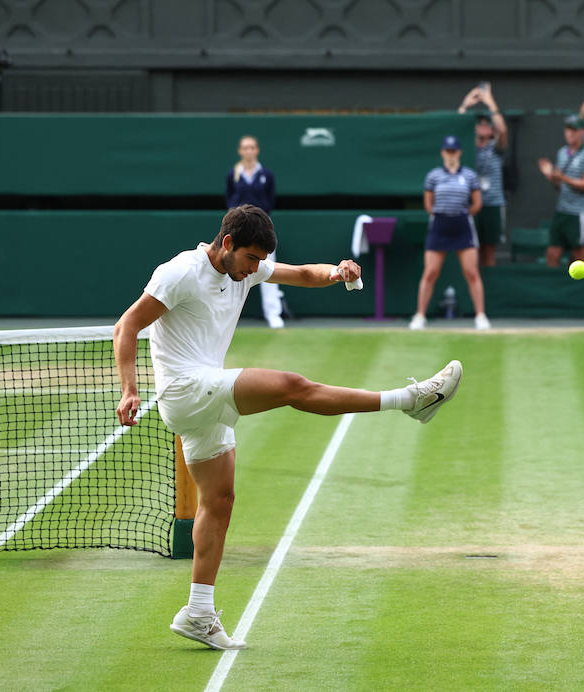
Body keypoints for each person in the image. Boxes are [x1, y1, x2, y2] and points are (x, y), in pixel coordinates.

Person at [113, 205, 463, 651]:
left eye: (261, 261)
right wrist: (129, 389)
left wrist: (336, 272)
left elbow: (302, 274)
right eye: (251, 259)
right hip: (184, 389)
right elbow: (127, 326)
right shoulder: (181, 272)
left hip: (203, 405)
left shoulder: (248, 270)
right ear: (226, 244)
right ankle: (411, 401)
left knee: (219, 501)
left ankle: (198, 612)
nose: (256, 268)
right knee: (293, 387)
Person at [409, 135, 489, 331]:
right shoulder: (434, 176)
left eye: (454, 151)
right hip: (440, 225)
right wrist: (442, 214)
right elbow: (428, 203)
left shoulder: (469, 175)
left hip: (462, 225)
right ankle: (420, 316)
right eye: (448, 151)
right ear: (443, 153)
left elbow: (477, 203)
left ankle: (480, 316)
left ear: (459, 152)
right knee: (430, 272)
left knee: (471, 272)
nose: (451, 154)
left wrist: (463, 214)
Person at [225, 136, 287, 329]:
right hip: (239, 233)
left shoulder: (266, 175)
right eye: (245, 148)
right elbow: (229, 202)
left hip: (262, 231)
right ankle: (225, 316)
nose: (249, 151)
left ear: (257, 150)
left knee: (270, 271)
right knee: (231, 270)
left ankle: (273, 314)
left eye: (252, 147)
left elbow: (270, 201)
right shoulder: (232, 175)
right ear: (240, 151)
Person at [539, 114, 584, 268]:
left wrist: (563, 177)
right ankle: (554, 289)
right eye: (568, 129)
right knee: (552, 253)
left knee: (579, 255)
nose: (570, 133)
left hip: (579, 213)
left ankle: (583, 288)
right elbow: (559, 185)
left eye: (574, 130)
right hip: (562, 211)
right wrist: (550, 176)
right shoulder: (562, 153)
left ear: (582, 132)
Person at [458, 84, 508, 267]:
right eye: (480, 123)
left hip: (493, 204)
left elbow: (502, 130)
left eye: (487, 123)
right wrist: (465, 105)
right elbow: (456, 127)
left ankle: (490, 288)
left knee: (489, 250)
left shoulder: (496, 148)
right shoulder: (466, 147)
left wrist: (489, 102)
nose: (484, 126)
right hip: (470, 206)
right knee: (471, 250)